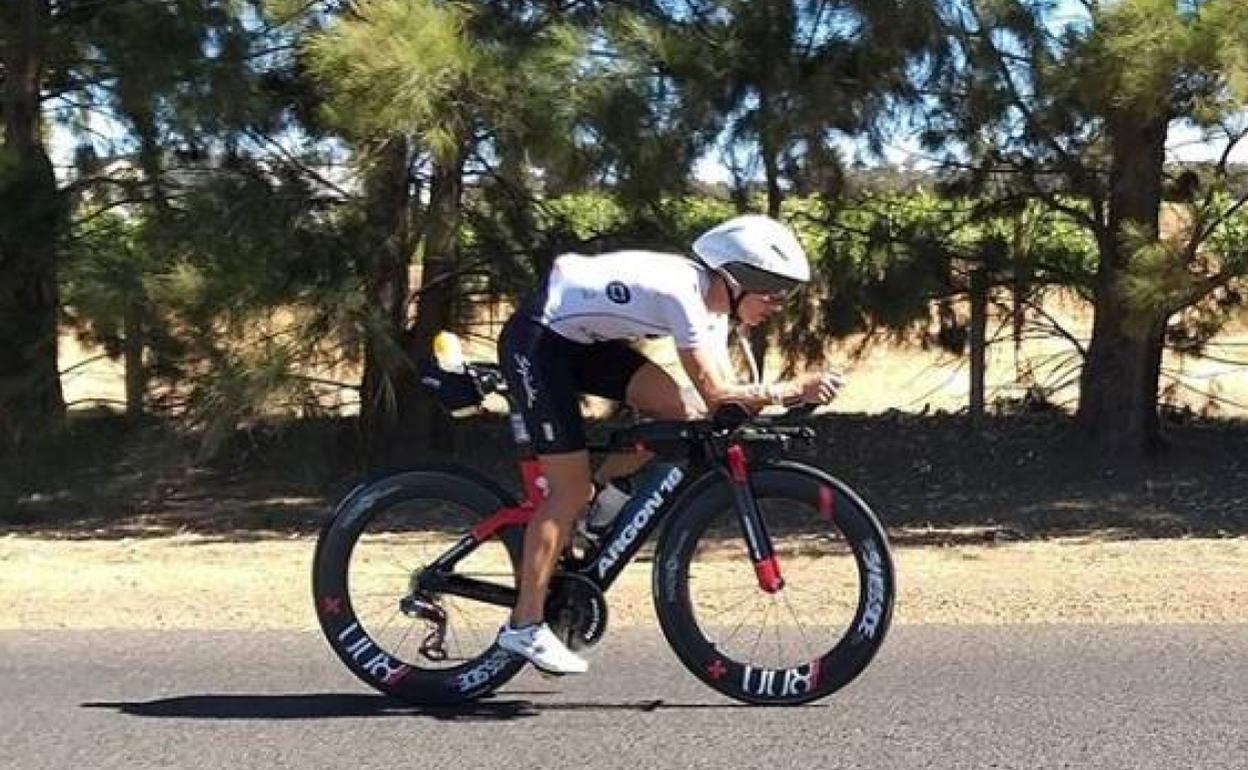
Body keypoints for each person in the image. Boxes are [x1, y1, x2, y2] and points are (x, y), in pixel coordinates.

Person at [494, 214, 844, 675]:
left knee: (681, 413)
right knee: (567, 490)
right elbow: (722, 395)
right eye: (773, 293)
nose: (778, 305)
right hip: (537, 344)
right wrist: (790, 390)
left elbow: (717, 403)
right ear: (737, 281)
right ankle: (525, 623)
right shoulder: (683, 296)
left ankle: (598, 498)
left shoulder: (714, 310)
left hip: (580, 341)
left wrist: (774, 404)